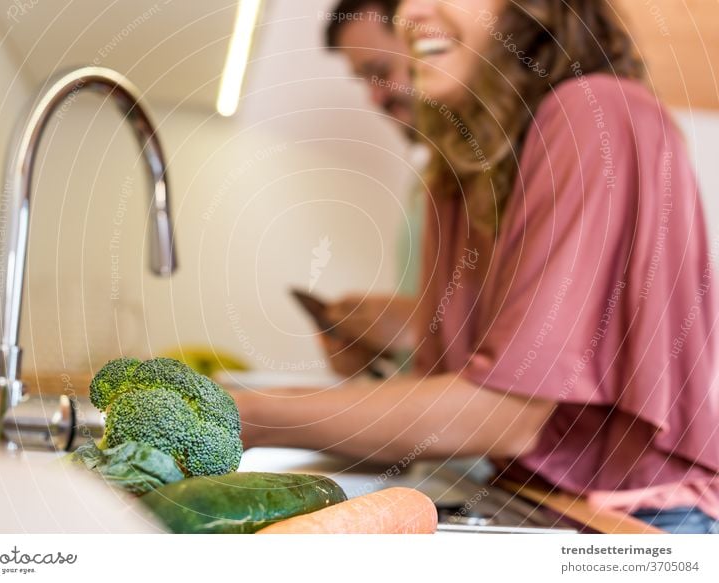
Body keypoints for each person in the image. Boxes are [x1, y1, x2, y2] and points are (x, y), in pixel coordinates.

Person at [235, 0, 719, 533]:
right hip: (534, 493)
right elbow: (448, 401)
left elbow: (503, 414)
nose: (411, 13)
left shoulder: (597, 110)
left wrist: (248, 414)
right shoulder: (454, 174)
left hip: (646, 516)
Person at [318, 0, 424, 377]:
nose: (375, 97)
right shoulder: (424, 182)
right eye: (364, 79)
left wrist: (419, 325)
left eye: (380, 72)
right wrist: (372, 347)